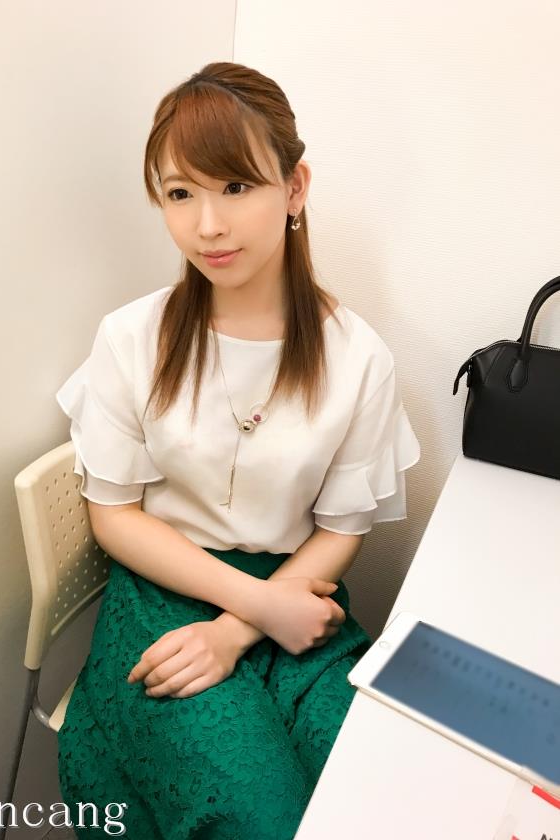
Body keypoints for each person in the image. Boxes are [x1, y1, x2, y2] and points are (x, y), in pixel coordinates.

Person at [55, 61, 421, 840]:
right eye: (179, 194)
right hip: (161, 593)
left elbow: (341, 530)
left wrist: (243, 626)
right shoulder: (132, 338)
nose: (208, 226)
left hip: (298, 594)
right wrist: (246, 612)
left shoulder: (358, 358)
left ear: (294, 187)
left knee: (374, 795)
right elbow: (114, 516)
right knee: (260, 815)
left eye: (235, 186)